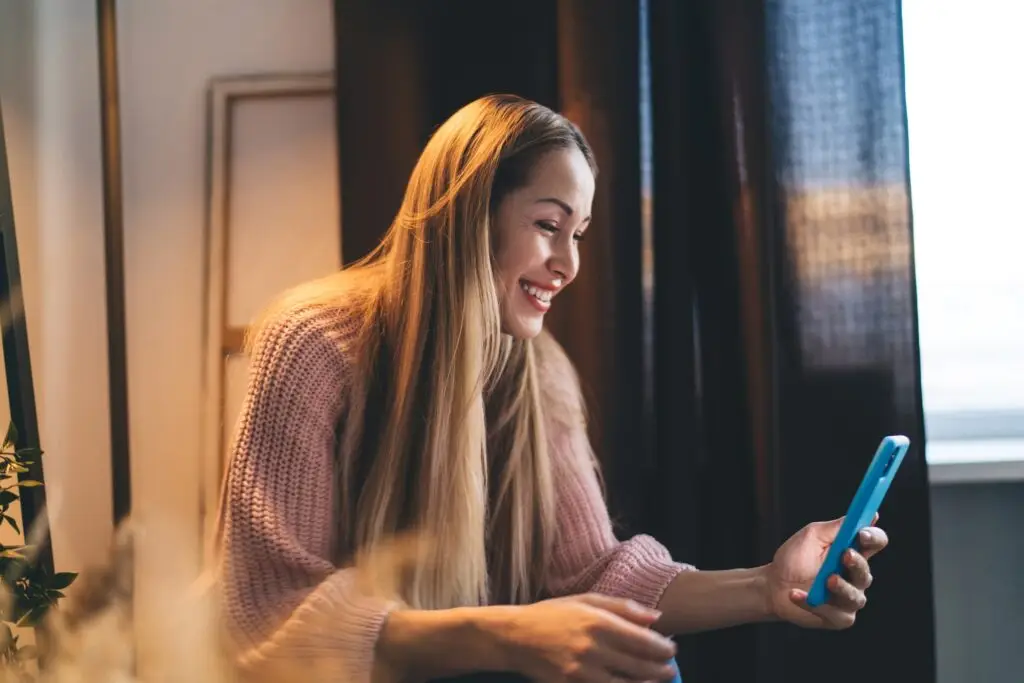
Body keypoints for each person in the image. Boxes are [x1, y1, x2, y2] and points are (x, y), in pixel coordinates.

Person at [211, 94, 888, 683]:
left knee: (639, 660)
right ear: (470, 214)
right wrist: (505, 633)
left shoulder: (539, 374)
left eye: (580, 234)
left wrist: (769, 587)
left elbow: (595, 575)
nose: (568, 264)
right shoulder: (312, 343)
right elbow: (265, 617)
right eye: (548, 224)